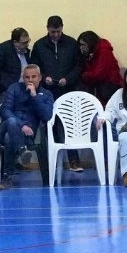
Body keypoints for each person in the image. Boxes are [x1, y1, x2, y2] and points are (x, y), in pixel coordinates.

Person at [31, 16, 82, 170]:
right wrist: (43, 77)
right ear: (47, 28)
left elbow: (79, 66)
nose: (55, 35)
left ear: (62, 28)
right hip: (47, 91)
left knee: (69, 125)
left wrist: (68, 79)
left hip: (67, 90)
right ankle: (51, 161)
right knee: (49, 125)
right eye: (53, 32)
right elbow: (34, 67)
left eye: (58, 31)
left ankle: (74, 160)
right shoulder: (39, 45)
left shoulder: (72, 43)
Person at [0, 64, 53, 191]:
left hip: (28, 134)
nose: (30, 80)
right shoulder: (14, 88)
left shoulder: (46, 94)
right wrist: (22, 125)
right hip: (6, 127)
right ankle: (22, 150)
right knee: (11, 121)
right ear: (23, 78)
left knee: (10, 138)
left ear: (40, 77)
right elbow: (5, 111)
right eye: (27, 77)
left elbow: (47, 116)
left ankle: (6, 178)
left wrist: (35, 96)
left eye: (33, 77)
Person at [77, 31, 122, 104]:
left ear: (90, 44)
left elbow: (97, 75)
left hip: (110, 86)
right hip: (102, 87)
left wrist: (83, 75)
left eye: (83, 45)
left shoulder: (104, 52)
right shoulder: (93, 52)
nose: (81, 47)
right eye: (80, 45)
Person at [0, 27, 31, 100]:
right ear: (15, 42)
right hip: (6, 91)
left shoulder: (26, 51)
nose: (27, 44)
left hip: (23, 90)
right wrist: (2, 87)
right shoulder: (2, 49)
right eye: (24, 43)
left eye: (28, 41)